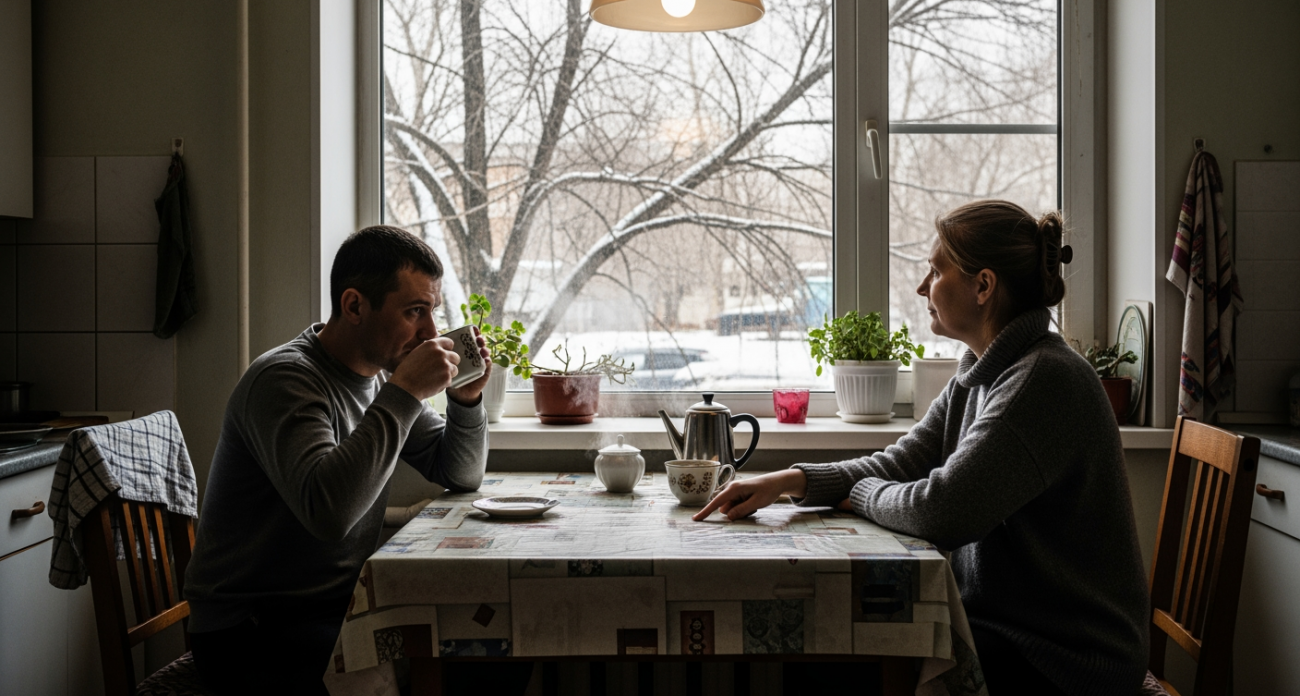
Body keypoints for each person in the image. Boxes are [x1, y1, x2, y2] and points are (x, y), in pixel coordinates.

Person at [695, 201, 1150, 696]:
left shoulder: (1043, 381)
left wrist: (863, 495)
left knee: (835, 660)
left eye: (935, 271)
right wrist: (791, 482)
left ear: (983, 287)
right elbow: (902, 462)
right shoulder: (981, 372)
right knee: (825, 651)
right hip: (1008, 628)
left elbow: (944, 510)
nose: (921, 287)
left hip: (1064, 658)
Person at [185, 225, 494, 694]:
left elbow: (460, 473)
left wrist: (465, 402)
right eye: (414, 312)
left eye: (432, 312)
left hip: (330, 608)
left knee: (489, 647)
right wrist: (406, 392)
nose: (430, 332)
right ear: (354, 306)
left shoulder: (375, 379)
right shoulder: (285, 380)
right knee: (463, 665)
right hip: (252, 631)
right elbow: (330, 514)